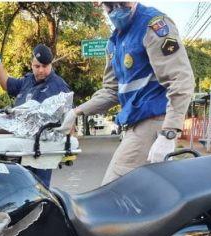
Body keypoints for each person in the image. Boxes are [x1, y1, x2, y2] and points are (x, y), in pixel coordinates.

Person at [56, 2, 194, 185]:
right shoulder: (114, 43)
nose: (117, 8)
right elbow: (111, 91)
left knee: (111, 194)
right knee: (140, 196)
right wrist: (76, 112)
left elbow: (181, 79)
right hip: (134, 126)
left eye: (122, 2)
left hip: (154, 123)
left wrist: (169, 133)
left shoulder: (153, 25)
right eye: (110, 5)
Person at [0, 43, 70, 187]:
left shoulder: (59, 86)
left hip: (40, 148)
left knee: (38, 190)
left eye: (45, 66)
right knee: (17, 187)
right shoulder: (27, 80)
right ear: (31, 64)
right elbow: (6, 83)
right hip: (19, 146)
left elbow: (68, 116)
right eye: (37, 66)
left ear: (51, 65)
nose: (41, 70)